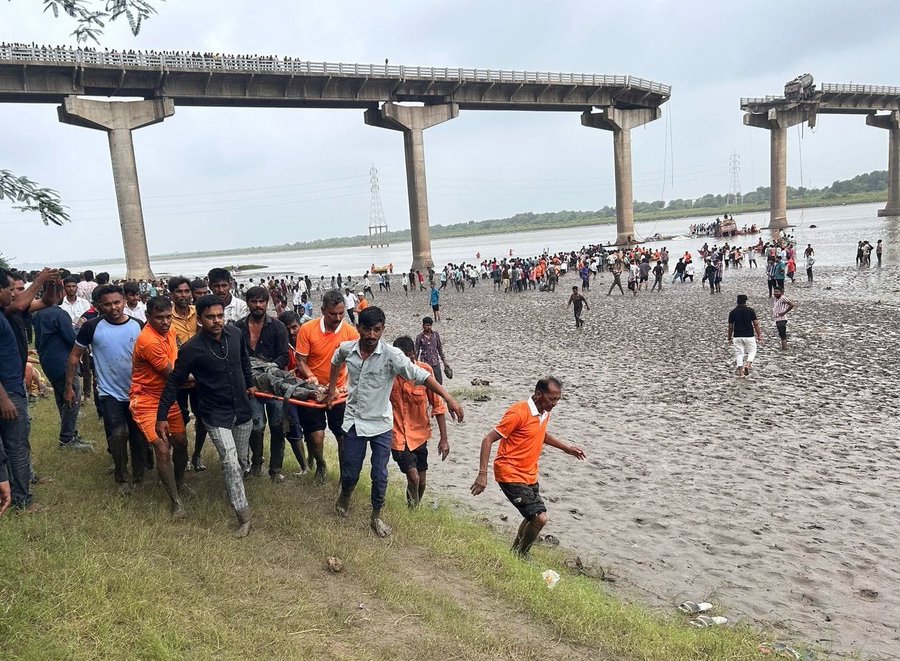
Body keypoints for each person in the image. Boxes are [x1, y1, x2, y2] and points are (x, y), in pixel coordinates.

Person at [325, 306, 463, 538]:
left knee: (380, 475)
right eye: (366, 329)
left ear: (383, 329)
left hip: (381, 424)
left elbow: (422, 376)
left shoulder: (392, 355)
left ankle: (376, 516)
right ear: (358, 328)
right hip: (355, 421)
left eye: (376, 330)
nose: (371, 335)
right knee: (350, 472)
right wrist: (331, 389)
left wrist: (449, 399)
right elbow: (335, 360)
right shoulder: (348, 349)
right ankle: (345, 496)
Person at [157, 295, 255, 538]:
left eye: (220, 316)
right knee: (230, 461)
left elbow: (245, 361)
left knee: (241, 462)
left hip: (242, 410)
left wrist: (251, 384)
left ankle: (235, 485)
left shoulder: (236, 334)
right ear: (199, 319)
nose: (217, 321)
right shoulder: (191, 349)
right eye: (210, 317)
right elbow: (174, 381)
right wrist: (162, 415)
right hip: (214, 413)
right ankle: (243, 516)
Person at [470, 378, 585, 559]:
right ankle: (522, 555)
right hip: (510, 473)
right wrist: (482, 474)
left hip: (529, 474)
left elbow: (541, 433)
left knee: (532, 516)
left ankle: (515, 553)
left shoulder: (544, 412)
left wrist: (566, 448)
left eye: (557, 399)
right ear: (538, 394)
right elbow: (488, 439)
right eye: (551, 399)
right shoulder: (519, 412)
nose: (554, 404)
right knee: (540, 518)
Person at [66, 284, 145, 493]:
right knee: (118, 434)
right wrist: (69, 387)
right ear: (100, 306)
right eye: (107, 304)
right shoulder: (91, 327)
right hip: (109, 393)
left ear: (124, 301)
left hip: (137, 391)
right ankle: (122, 476)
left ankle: (139, 475)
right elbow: (74, 357)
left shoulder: (138, 325)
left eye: (117, 302)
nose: (113, 307)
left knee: (138, 435)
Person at [130, 296, 189, 517]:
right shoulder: (149, 341)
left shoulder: (170, 331)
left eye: (168, 317)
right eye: (159, 318)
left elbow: (179, 355)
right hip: (145, 400)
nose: (165, 322)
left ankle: (179, 483)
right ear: (147, 317)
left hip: (167, 398)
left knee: (181, 443)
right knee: (163, 449)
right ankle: (176, 502)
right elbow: (174, 376)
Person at [295, 290, 359, 483]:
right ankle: (321, 464)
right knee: (316, 436)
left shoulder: (351, 333)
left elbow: (357, 363)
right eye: (333, 314)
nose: (338, 318)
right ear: (323, 310)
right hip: (313, 391)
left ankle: (343, 476)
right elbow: (301, 360)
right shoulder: (307, 329)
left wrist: (346, 385)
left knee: (343, 436)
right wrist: (311, 377)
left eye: (341, 313)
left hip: (339, 392)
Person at [235, 286, 290, 482]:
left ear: (267, 303)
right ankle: (256, 463)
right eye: (254, 301)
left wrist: (268, 368)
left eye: (261, 301)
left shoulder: (278, 327)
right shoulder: (238, 328)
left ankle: (275, 470)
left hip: (274, 384)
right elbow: (236, 358)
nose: (258, 305)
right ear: (247, 303)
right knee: (256, 427)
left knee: (278, 426)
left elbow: (284, 356)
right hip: (251, 385)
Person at [389, 336, 449, 508]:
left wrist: (444, 439)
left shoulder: (425, 371)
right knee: (413, 477)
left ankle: (413, 511)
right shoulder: (389, 374)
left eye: (407, 359)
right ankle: (412, 512)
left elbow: (438, 406)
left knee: (421, 482)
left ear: (413, 354)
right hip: (397, 436)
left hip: (420, 434)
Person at [33, 281, 92, 451]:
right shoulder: (59, 314)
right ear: (60, 294)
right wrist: (79, 327)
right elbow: (72, 339)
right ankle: (67, 439)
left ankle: (70, 434)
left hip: (48, 362)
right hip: (62, 362)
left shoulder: (38, 314)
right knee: (72, 396)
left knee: (62, 399)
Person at [0, 269, 40, 512]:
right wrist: (4, 399)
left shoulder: (3, 313)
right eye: (8, 289)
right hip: (8, 392)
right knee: (16, 446)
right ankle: (22, 500)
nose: (11, 294)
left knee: (11, 445)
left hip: (11, 389)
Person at [168, 276, 207, 471]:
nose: (183, 295)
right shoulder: (167, 316)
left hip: (201, 375)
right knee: (179, 417)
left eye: (186, 291)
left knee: (203, 417)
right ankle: (180, 454)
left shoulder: (199, 313)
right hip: (178, 375)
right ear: (172, 294)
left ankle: (197, 455)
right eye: (179, 292)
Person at [727, 294, 763, 378]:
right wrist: (759, 335)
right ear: (745, 301)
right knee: (752, 351)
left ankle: (741, 373)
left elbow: (730, 327)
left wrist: (729, 337)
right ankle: (747, 364)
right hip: (749, 335)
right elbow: (756, 324)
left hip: (737, 336)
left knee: (739, 353)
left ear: (737, 301)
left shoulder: (732, 312)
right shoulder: (750, 311)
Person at [414, 317, 450, 385]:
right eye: (427, 325)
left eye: (430, 325)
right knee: (426, 383)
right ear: (423, 326)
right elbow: (416, 351)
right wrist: (415, 364)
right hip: (425, 364)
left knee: (439, 382)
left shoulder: (435, 335)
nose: (429, 327)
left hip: (435, 362)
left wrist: (445, 362)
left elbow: (440, 349)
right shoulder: (419, 337)